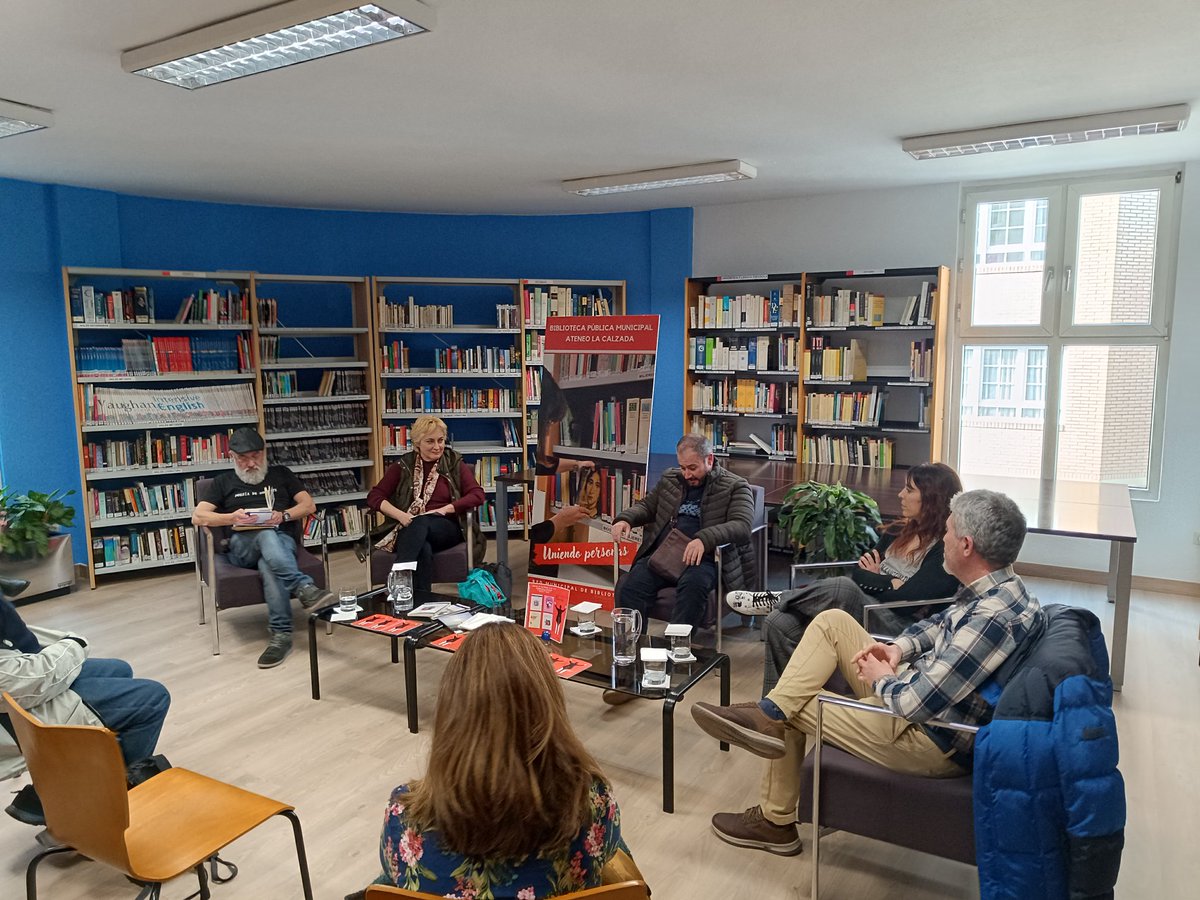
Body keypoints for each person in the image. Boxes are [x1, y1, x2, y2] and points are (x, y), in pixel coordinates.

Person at [691, 489, 1044, 856]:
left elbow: (913, 704)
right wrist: (896, 649)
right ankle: (769, 714)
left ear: (967, 545)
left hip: (927, 740)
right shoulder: (1001, 590)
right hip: (919, 696)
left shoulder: (991, 621)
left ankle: (775, 820)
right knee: (832, 621)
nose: (943, 539)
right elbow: (940, 626)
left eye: (949, 532)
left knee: (795, 701)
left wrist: (882, 678)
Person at [363, 623, 641, 898]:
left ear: (450, 713)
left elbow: (392, 882)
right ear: (547, 708)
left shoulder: (403, 818)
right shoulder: (594, 804)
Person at [726, 462, 963, 693]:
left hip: (899, 623)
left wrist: (878, 579)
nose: (901, 494)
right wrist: (889, 582)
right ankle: (776, 713)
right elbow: (860, 570)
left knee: (844, 588)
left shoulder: (945, 547)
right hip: (868, 603)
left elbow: (909, 596)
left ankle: (776, 598)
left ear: (932, 499)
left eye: (909, 490)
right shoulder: (898, 531)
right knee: (779, 622)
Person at [1, 579, 171, 826]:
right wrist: (72, 643)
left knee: (120, 670)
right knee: (154, 698)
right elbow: (30, 679)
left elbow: (25, 645)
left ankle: (75, 778)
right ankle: (98, 798)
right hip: (18, 711)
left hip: (18, 678)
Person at [192, 427, 335, 669]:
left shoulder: (281, 474)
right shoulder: (223, 481)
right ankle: (303, 587)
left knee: (269, 563)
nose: (250, 463)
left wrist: (283, 515)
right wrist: (231, 518)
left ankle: (281, 636)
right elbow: (198, 516)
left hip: (282, 541)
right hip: (241, 546)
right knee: (266, 535)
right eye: (243, 458)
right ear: (233, 458)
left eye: (255, 456)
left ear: (264, 453)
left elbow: (308, 505)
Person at [611, 433, 756, 629]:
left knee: (692, 589)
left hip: (704, 559)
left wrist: (704, 539)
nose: (687, 474)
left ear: (709, 459)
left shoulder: (735, 486)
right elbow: (647, 506)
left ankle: (678, 648)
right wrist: (626, 519)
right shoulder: (671, 479)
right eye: (683, 467)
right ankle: (634, 645)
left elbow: (742, 526)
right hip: (666, 554)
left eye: (693, 468)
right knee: (632, 587)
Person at [366, 414, 486, 591]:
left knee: (420, 522)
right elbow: (374, 497)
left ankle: (399, 579)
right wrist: (401, 515)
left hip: (445, 527)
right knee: (423, 547)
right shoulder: (403, 465)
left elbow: (477, 494)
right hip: (406, 526)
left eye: (440, 440)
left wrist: (447, 508)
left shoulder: (453, 462)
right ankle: (421, 603)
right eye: (430, 441)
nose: (437, 447)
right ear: (417, 443)